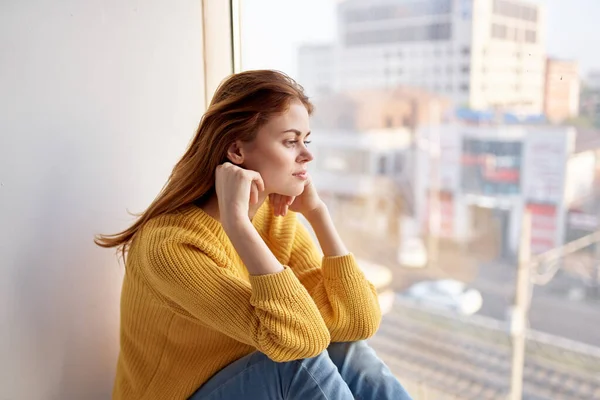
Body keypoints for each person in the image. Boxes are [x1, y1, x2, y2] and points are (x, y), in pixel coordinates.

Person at [95, 70, 412, 400]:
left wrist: (318, 215)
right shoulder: (170, 247)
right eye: (290, 141)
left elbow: (358, 321)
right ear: (236, 150)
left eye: (306, 140)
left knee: (348, 352)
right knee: (298, 362)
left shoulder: (276, 221)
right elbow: (301, 341)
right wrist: (238, 227)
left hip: (245, 383)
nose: (307, 155)